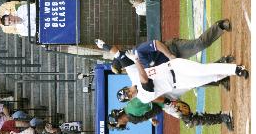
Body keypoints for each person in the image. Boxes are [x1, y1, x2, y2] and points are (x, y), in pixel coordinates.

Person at [95, 19, 234, 90]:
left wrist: (104, 46)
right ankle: (222, 71)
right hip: (173, 68)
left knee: (200, 45)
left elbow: (157, 44)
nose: (125, 71)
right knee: (196, 81)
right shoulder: (138, 71)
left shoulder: (138, 53)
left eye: (122, 68)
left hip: (172, 49)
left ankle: (220, 26)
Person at [118, 50, 249, 104]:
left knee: (202, 70)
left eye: (126, 91)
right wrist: (136, 60)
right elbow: (145, 80)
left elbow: (121, 58)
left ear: (126, 88)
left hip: (175, 67)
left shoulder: (133, 76)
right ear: (130, 99)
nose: (129, 93)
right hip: (180, 82)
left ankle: (236, 69)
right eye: (128, 96)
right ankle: (229, 70)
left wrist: (105, 47)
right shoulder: (143, 98)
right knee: (212, 77)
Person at [107, 97, 234, 131]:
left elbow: (150, 97)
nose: (118, 126)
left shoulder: (132, 108)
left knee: (190, 120)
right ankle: (222, 117)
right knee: (190, 121)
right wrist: (152, 119)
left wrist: (169, 103)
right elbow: (147, 110)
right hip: (164, 105)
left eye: (116, 124)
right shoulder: (131, 116)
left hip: (165, 101)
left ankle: (223, 116)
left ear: (118, 118)